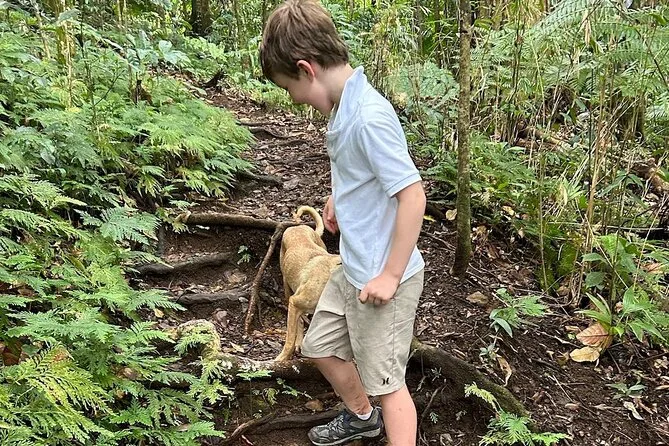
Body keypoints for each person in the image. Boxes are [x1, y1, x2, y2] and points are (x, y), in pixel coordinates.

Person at [260, 1, 426, 445]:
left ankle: (387, 423)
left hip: (382, 278)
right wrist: (339, 197)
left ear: (306, 69)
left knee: (388, 384)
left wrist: (390, 275)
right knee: (318, 345)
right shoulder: (343, 108)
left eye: (289, 88)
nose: (293, 99)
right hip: (351, 268)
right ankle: (362, 416)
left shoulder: (368, 117)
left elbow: (412, 196)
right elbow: (360, 171)